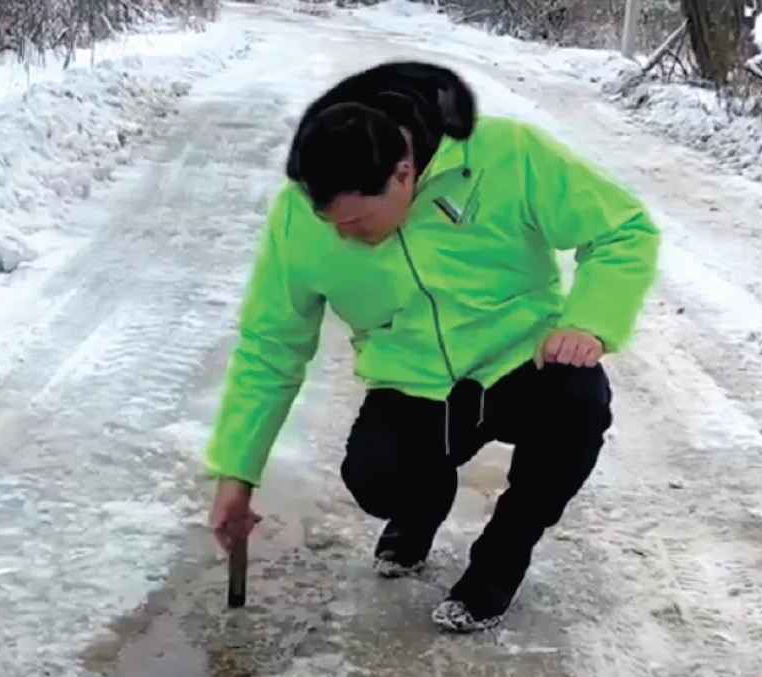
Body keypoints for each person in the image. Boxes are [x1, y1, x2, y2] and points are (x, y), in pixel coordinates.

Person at [205, 60, 660, 633]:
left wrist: (588, 323)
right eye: (332, 223)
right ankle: (421, 506)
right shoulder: (297, 218)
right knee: (375, 479)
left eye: (356, 222)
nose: (344, 236)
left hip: (519, 361)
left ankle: (503, 556)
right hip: (414, 385)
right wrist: (237, 473)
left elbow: (623, 230)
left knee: (579, 403)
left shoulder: (506, 154)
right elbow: (270, 347)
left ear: (403, 174)